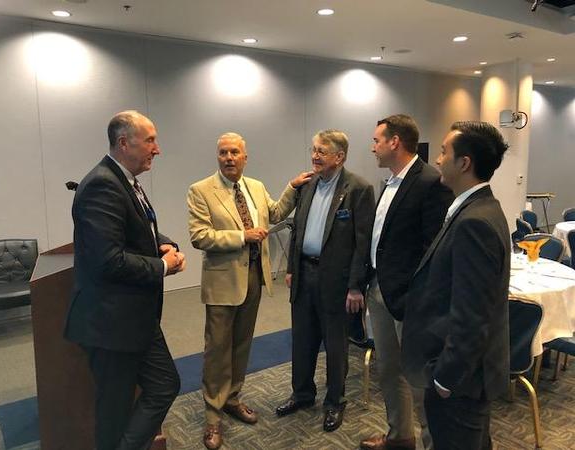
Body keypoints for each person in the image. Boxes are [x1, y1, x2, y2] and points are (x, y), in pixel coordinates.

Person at [64, 110, 185, 450]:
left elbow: (139, 226)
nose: (157, 149)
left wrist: (165, 242)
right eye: (150, 140)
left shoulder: (125, 180)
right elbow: (107, 261)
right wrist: (162, 266)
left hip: (136, 318)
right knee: (113, 411)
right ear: (123, 142)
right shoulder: (102, 184)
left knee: (164, 385)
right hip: (110, 323)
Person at [187, 132, 312, 449]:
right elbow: (199, 236)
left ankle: (232, 398)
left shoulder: (254, 187)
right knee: (217, 350)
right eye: (223, 153)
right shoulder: (201, 190)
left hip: (254, 278)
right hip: (222, 282)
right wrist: (242, 236)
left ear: (245, 157)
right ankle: (213, 416)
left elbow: (274, 213)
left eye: (234, 153)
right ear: (218, 157)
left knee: (241, 345)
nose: (228, 158)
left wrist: (292, 187)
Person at [401, 121, 511, 450]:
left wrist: (444, 378)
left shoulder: (474, 221)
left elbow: (472, 315)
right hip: (465, 376)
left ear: (464, 163)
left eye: (444, 151)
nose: (436, 159)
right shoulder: (478, 208)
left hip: (460, 382)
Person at [360, 115, 453, 450]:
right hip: (380, 290)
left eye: (376, 141)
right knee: (389, 370)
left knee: (418, 378)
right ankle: (399, 436)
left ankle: (433, 443)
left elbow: (434, 248)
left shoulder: (430, 181)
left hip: (410, 299)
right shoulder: (390, 181)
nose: (373, 147)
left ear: (394, 142)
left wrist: (418, 296)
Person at [275, 129, 375, 433]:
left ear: (339, 156)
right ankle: (303, 394)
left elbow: (363, 242)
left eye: (322, 151)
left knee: (335, 345)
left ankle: (335, 402)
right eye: (314, 149)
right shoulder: (308, 184)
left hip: (338, 281)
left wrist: (356, 285)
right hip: (305, 274)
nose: (315, 156)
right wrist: (292, 268)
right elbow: (298, 231)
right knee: (302, 339)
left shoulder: (358, 188)